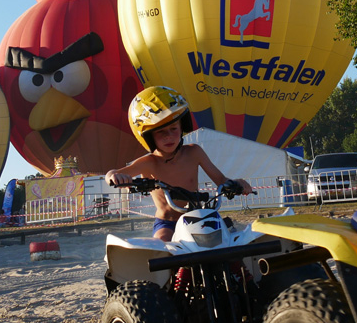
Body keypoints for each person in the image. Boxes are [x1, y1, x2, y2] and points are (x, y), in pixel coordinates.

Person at [106, 86, 253, 241]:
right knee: (162, 245)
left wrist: (237, 183)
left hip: (198, 217)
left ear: (183, 127)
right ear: (147, 137)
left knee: (229, 241)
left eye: (174, 128)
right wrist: (115, 177)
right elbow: (111, 175)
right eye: (161, 132)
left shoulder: (194, 152)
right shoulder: (148, 162)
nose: (169, 136)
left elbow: (221, 180)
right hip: (167, 223)